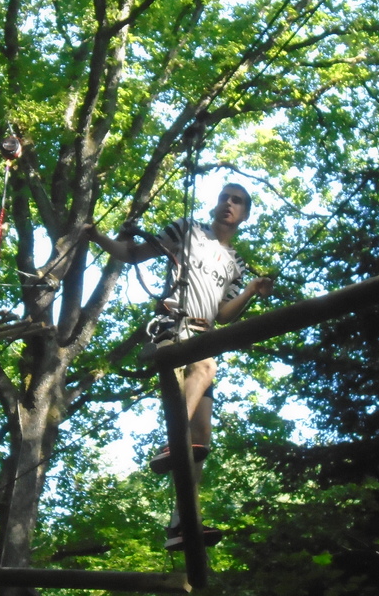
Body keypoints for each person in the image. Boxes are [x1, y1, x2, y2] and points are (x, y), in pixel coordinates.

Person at [85, 183, 273, 550]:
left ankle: (181, 523)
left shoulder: (236, 264)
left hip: (204, 334)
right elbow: (132, 253)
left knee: (201, 436)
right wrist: (97, 236)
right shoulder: (187, 230)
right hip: (174, 325)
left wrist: (250, 290)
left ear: (245, 215)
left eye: (236, 201)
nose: (228, 204)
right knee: (205, 369)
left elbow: (224, 314)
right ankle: (171, 443)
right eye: (224, 197)